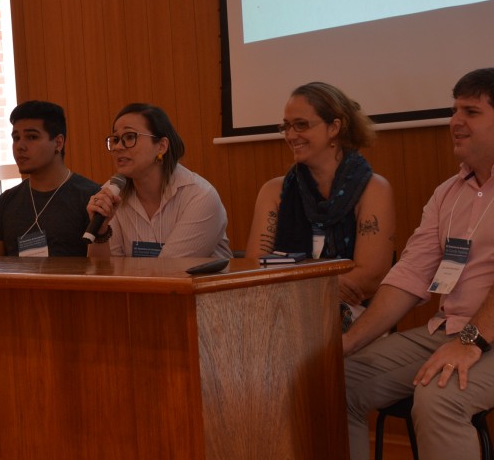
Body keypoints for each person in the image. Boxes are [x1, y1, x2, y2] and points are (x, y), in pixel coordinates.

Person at [344, 68, 494, 460]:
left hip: (480, 336)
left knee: (438, 397)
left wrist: (471, 342)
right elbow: (410, 275)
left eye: (471, 112)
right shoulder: (448, 193)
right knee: (339, 380)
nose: (455, 122)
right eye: (454, 110)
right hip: (453, 330)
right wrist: (351, 340)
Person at [245, 82, 395, 330]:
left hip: (356, 318)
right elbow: (255, 267)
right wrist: (326, 284)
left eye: (301, 125)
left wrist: (294, 282)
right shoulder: (274, 191)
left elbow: (370, 277)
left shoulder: (373, 189)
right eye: (286, 126)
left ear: (334, 127)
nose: (291, 136)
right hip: (281, 308)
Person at [86, 103, 232, 258]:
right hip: (138, 282)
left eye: (129, 137)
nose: (118, 147)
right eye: (115, 139)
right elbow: (103, 274)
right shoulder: (111, 193)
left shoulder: (199, 196)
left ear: (161, 146)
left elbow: (170, 273)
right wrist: (101, 233)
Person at [0, 100, 101, 257]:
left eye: (31, 137)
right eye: (16, 138)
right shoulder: (3, 204)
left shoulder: (91, 198)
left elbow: (101, 270)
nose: (20, 146)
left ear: (58, 143)